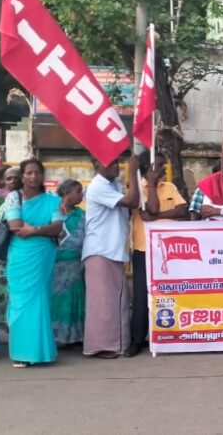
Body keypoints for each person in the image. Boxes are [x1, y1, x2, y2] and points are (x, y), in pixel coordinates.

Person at [5, 159, 64, 368]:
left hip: (43, 255)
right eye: (29, 173)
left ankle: (40, 352)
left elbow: (58, 227)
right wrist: (42, 229)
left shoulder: (52, 200)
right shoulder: (14, 197)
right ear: (22, 176)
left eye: (37, 172)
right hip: (20, 256)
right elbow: (15, 226)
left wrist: (35, 230)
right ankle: (21, 352)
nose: (33, 176)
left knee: (40, 299)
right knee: (20, 300)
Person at [83, 156, 140, 359]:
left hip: (111, 249)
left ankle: (115, 343)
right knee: (104, 303)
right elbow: (132, 202)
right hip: (101, 249)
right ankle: (103, 346)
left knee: (115, 300)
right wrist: (132, 171)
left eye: (117, 162)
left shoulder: (113, 185)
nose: (115, 166)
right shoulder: (98, 187)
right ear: (96, 165)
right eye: (110, 162)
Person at [131, 152, 187, 354]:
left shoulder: (170, 187)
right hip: (144, 249)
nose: (164, 169)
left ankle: (170, 335)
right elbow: (152, 207)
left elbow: (182, 211)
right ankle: (137, 339)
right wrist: (152, 186)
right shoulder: (136, 189)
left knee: (169, 295)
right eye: (160, 165)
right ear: (148, 167)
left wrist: (157, 218)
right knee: (141, 297)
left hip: (168, 252)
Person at [52, 179, 87, 347]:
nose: (82, 195)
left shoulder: (81, 215)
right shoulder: (52, 212)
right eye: (78, 191)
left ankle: (73, 337)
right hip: (54, 264)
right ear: (66, 194)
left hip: (75, 265)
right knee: (55, 299)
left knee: (73, 299)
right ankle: (54, 337)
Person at [0, 167, 21, 333]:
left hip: (22, 250)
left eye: (16, 177)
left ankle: (16, 324)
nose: (13, 181)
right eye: (9, 178)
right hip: (3, 252)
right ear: (3, 182)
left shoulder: (27, 200)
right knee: (0, 291)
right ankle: (3, 323)